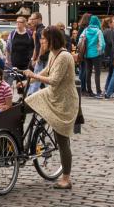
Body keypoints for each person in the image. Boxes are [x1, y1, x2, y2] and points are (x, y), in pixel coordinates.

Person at [22, 26, 79, 189]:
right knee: (23, 105)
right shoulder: (54, 54)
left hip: (63, 101)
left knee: (61, 140)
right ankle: (21, 143)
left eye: (44, 38)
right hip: (52, 95)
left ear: (52, 39)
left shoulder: (64, 56)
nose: (41, 41)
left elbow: (54, 80)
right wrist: (27, 81)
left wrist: (33, 75)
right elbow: (46, 72)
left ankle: (66, 178)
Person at [77, 15, 105, 98]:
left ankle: (89, 90)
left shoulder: (85, 30)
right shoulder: (98, 31)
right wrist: (100, 51)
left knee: (88, 72)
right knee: (97, 73)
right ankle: (98, 91)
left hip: (87, 55)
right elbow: (102, 44)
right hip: (96, 55)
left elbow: (79, 42)